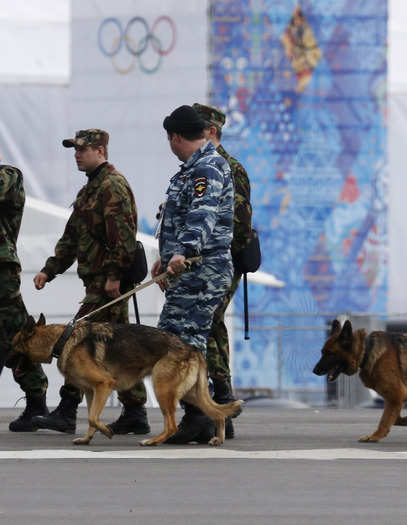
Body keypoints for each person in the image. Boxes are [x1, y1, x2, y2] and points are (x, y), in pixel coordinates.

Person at [31, 129, 149, 436]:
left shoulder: (112, 186)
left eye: (82, 149)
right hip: (96, 283)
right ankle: (135, 411)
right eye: (74, 149)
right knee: (118, 349)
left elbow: (123, 237)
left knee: (76, 344)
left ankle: (67, 411)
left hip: (107, 285)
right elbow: (71, 239)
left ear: (100, 150)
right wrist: (50, 270)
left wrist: (114, 276)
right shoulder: (89, 191)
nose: (77, 154)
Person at [156, 105, 234, 444]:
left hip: (203, 270)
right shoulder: (194, 168)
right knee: (180, 342)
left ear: (175, 137)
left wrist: (183, 251)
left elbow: (202, 216)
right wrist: (166, 256)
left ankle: (199, 415)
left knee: (183, 344)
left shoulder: (207, 168)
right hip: (190, 270)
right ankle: (203, 414)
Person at [193, 102, 253, 440]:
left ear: (211, 131)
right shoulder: (200, 165)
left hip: (221, 260)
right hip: (204, 261)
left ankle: (222, 395)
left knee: (209, 321)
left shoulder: (231, 168)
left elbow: (241, 222)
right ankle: (222, 396)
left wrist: (219, 255)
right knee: (211, 324)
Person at [0, 155, 50, 431]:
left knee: (16, 334)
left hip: (2, 273)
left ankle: (36, 400)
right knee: (7, 338)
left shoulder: (9, 175)